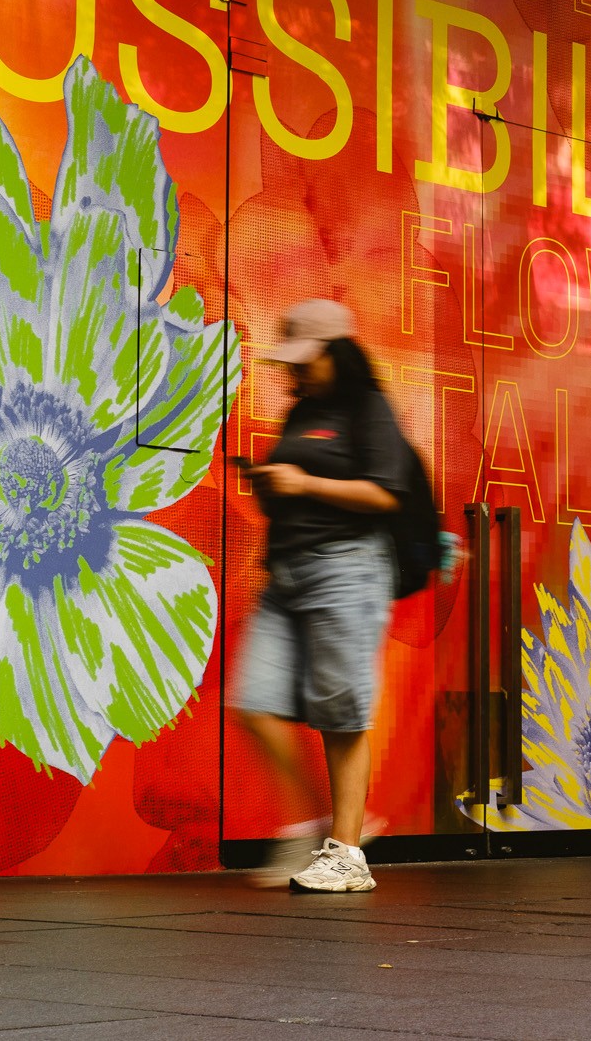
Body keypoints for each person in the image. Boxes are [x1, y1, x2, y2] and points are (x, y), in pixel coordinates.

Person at [232, 299, 406, 893]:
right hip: (286, 576)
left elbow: (386, 494)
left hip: (346, 570)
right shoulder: (300, 413)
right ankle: (319, 826)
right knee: (253, 702)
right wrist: (269, 485)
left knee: (340, 713)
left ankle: (348, 855)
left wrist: (303, 482)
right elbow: (297, 490)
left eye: (305, 361)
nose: (295, 371)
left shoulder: (368, 408)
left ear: (338, 354)